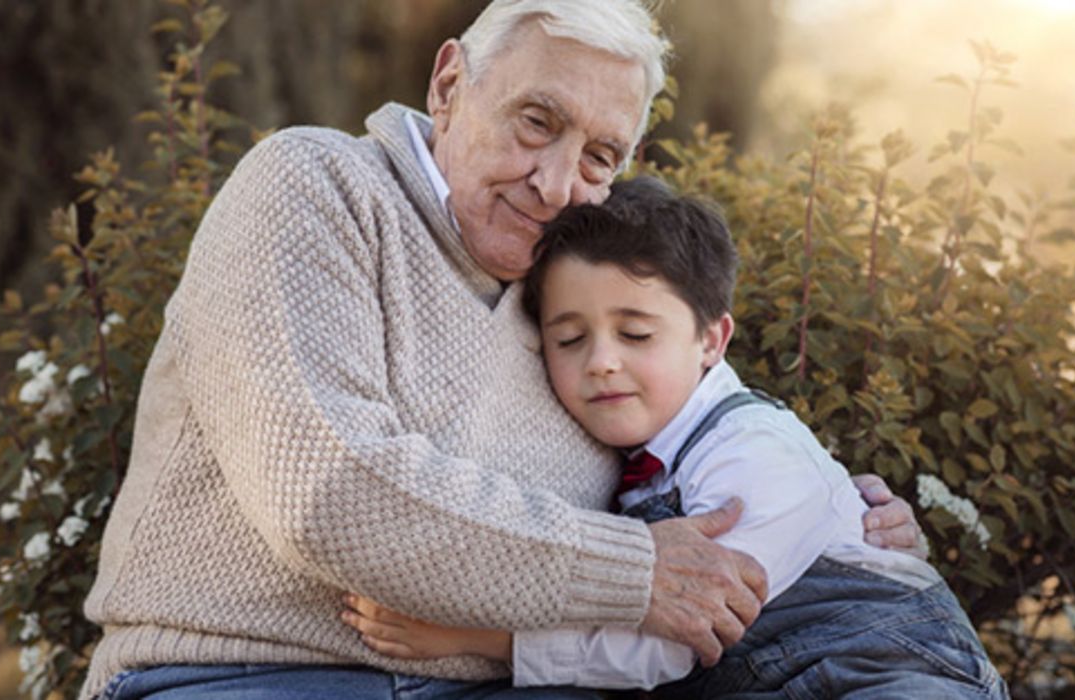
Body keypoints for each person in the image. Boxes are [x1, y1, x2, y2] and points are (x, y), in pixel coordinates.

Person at [79, 1, 925, 698]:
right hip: (249, 673)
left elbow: (713, 421)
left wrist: (845, 521)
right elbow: (330, 494)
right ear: (449, 83)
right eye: (536, 121)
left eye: (599, 156)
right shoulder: (317, 186)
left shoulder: (573, 285)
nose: (557, 184)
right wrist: (633, 572)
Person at [341, 178, 1008, 698]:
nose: (600, 361)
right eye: (568, 339)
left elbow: (677, 639)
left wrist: (474, 638)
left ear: (711, 340)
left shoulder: (752, 451)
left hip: (886, 676)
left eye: (635, 335)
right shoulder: (632, 453)